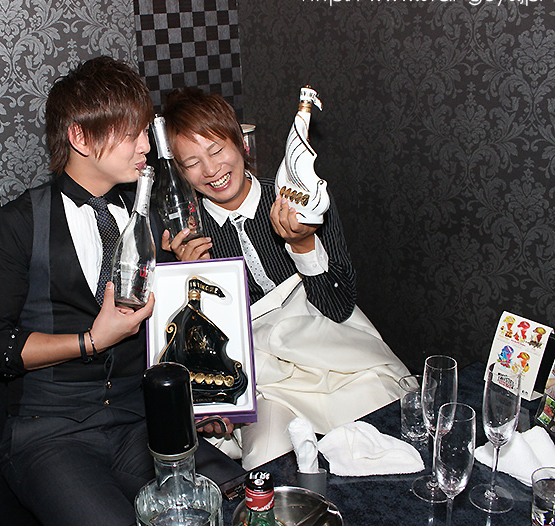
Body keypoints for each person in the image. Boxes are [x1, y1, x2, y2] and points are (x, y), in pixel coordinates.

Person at [0, 58, 240, 526]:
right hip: (52, 434)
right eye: (132, 134)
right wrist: (90, 341)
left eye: (144, 131)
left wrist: (196, 398)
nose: (146, 146)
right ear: (80, 137)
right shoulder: (17, 226)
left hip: (140, 422)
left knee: (234, 502)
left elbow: (167, 332)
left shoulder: (147, 215)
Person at [161, 87, 410, 470]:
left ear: (241, 143)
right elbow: (193, 347)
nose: (210, 170)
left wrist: (304, 245)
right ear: (179, 171)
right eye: (192, 162)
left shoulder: (299, 200)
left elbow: (338, 306)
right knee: (267, 459)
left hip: (336, 353)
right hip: (264, 380)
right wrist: (190, 277)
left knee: (387, 431)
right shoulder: (185, 235)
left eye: (217, 150)